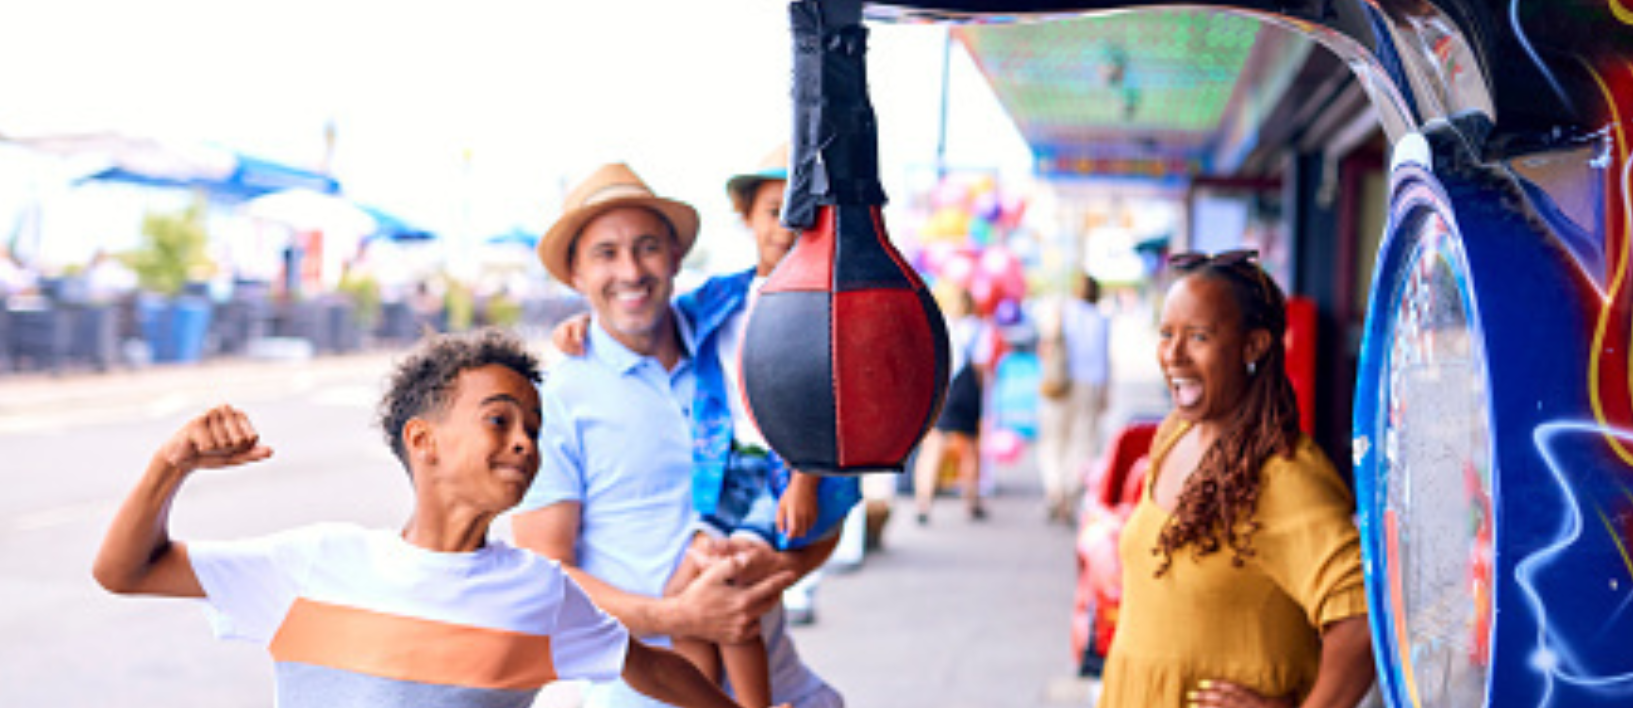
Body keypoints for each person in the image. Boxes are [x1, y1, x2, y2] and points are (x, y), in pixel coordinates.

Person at [90, 330, 759, 708]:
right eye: (499, 419)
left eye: (533, 426)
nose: (526, 442)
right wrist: (170, 464)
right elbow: (125, 572)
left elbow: (649, 667)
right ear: (423, 441)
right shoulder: (316, 564)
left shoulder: (540, 591)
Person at [513, 162, 845, 708]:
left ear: (674, 254)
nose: (631, 270)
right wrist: (679, 617)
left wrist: (776, 569)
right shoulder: (556, 396)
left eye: (646, 247)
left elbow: (828, 498)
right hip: (639, 693)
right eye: (605, 253)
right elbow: (546, 576)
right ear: (574, 275)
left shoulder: (736, 343)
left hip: (776, 679)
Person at [1097, 250, 1374, 708]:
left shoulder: (1284, 473)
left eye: (1198, 336)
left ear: (1254, 346)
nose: (1173, 353)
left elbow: (1362, 621)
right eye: (1167, 334)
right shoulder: (1174, 434)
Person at [1036, 274, 1111, 524]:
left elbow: (1047, 346)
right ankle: (1070, 490)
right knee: (1083, 441)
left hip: (1060, 382)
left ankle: (1054, 489)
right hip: (1090, 385)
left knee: (1054, 439)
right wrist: (1105, 392)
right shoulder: (1101, 319)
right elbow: (1105, 359)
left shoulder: (1063, 311)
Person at [911, 284, 989, 524]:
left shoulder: (939, 324)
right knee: (970, 448)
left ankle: (923, 502)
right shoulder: (980, 329)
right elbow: (981, 366)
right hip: (968, 392)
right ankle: (972, 500)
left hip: (945, 388)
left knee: (933, 446)